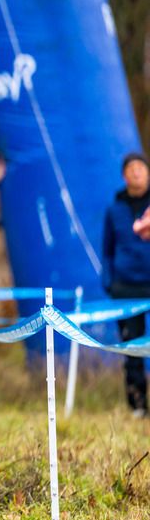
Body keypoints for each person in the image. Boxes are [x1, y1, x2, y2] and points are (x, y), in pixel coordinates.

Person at [102, 152, 150, 417]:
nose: (136, 173)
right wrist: (109, 282)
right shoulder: (114, 210)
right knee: (132, 347)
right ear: (124, 175)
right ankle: (138, 404)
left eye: (140, 168)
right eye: (131, 169)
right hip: (126, 288)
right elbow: (107, 249)